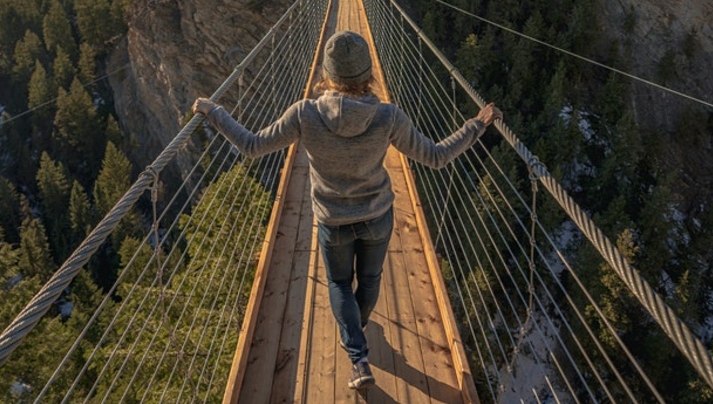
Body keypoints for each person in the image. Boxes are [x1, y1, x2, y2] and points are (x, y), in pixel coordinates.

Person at [193, 30, 502, 390]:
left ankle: (358, 358)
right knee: (369, 280)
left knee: (339, 283)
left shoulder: (305, 113)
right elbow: (435, 157)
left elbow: (251, 146)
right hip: (376, 218)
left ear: (326, 75)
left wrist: (214, 112)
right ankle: (358, 324)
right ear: (368, 74)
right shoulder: (389, 117)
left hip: (333, 221)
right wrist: (476, 125)